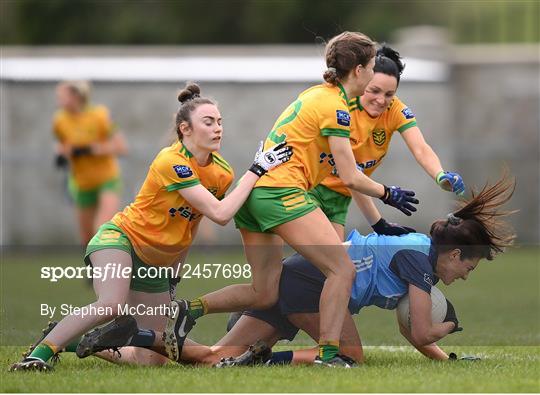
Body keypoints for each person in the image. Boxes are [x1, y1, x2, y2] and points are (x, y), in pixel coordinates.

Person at [69, 173, 514, 368]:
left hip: (301, 276)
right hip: (311, 283)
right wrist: (448, 328)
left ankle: (134, 337)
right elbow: (417, 331)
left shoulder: (417, 249)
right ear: (455, 255)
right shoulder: (420, 262)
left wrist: (449, 359)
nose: (465, 276)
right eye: (469, 267)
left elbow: (411, 333)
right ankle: (263, 359)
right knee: (348, 357)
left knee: (212, 359)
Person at [166, 32, 420, 367]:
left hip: (256, 194)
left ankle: (191, 309)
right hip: (280, 192)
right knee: (342, 270)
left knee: (264, 291)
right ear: (357, 70)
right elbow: (350, 176)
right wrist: (390, 194)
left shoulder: (318, 94)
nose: (374, 74)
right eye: (372, 67)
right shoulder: (338, 107)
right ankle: (330, 356)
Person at [9, 83, 292, 372]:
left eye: (220, 122)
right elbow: (221, 214)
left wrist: (174, 274)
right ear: (185, 128)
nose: (217, 128)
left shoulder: (222, 172)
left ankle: (69, 339)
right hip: (121, 239)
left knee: (151, 359)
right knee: (111, 305)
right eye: (208, 122)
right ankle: (37, 357)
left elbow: (192, 223)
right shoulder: (172, 160)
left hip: (157, 262)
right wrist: (257, 171)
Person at [309, 45, 465, 241]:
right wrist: (378, 222)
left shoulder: (396, 111)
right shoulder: (341, 107)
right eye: (374, 91)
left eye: (389, 94)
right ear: (362, 81)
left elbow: (421, 148)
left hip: (340, 199)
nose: (381, 100)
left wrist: (440, 175)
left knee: (333, 267)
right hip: (311, 187)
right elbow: (351, 175)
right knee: (334, 265)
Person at [53, 81, 128, 245]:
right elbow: (62, 145)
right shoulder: (60, 120)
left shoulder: (100, 115)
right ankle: (96, 269)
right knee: (87, 239)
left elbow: (121, 147)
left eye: (62, 96)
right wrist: (61, 154)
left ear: (76, 96)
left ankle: (112, 269)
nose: (58, 101)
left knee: (101, 231)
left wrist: (91, 149)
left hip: (107, 180)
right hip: (81, 183)